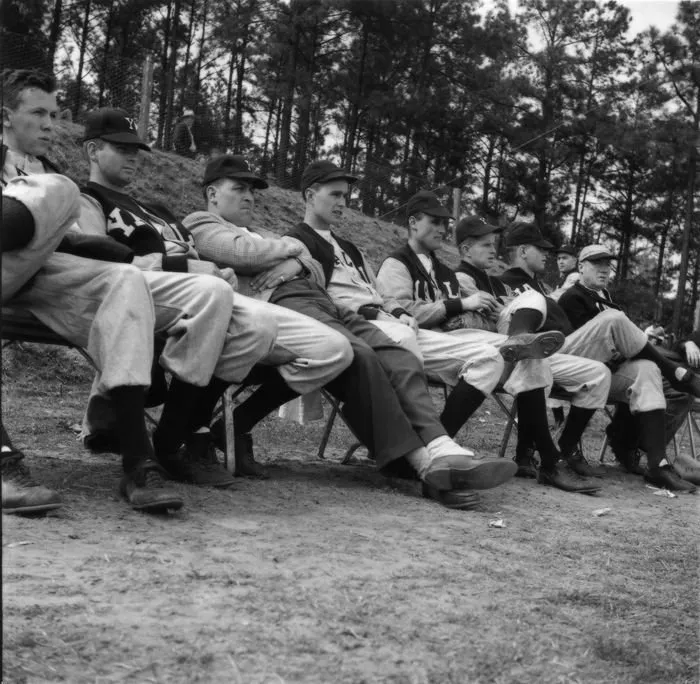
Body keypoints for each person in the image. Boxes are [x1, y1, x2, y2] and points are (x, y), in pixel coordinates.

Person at [188, 157, 519, 509]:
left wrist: (296, 261)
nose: (250, 198)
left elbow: (314, 266)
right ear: (211, 193)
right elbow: (241, 253)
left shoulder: (266, 234)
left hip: (322, 302)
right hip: (284, 306)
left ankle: (440, 446)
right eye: (239, 189)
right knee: (362, 356)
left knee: (396, 352)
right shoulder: (202, 223)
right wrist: (295, 254)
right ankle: (422, 465)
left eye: (253, 190)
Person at [74, 111, 353, 482]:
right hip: (145, 294)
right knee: (227, 302)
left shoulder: (154, 210)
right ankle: (182, 438)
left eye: (136, 150)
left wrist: (289, 260)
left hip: (203, 295)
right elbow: (100, 257)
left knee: (260, 325)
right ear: (93, 150)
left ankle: (179, 431)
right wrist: (187, 268)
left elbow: (308, 260)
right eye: (122, 149)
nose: (133, 157)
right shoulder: (86, 198)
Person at [1, 69, 182, 512]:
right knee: (59, 191)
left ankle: (138, 462)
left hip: (41, 275)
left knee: (127, 281)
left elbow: (73, 243)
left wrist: (118, 254)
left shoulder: (51, 172)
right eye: (38, 113)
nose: (50, 124)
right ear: (5, 116)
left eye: (54, 114)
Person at [378, 206, 610, 493]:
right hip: (416, 341)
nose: (442, 229)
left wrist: (490, 311)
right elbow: (397, 312)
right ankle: (548, 461)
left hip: (461, 341)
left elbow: (464, 316)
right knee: (525, 350)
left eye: (444, 224)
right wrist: (464, 305)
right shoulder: (400, 263)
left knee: (530, 347)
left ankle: (543, 458)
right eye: (435, 222)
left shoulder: (442, 272)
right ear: (413, 223)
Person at [500, 229, 698, 492]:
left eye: (607, 265)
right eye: (597, 264)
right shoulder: (574, 295)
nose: (604, 269)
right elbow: (582, 337)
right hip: (562, 354)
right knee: (614, 322)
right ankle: (676, 373)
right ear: (581, 267)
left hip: (601, 367)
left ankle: (657, 464)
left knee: (647, 369)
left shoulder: (607, 300)